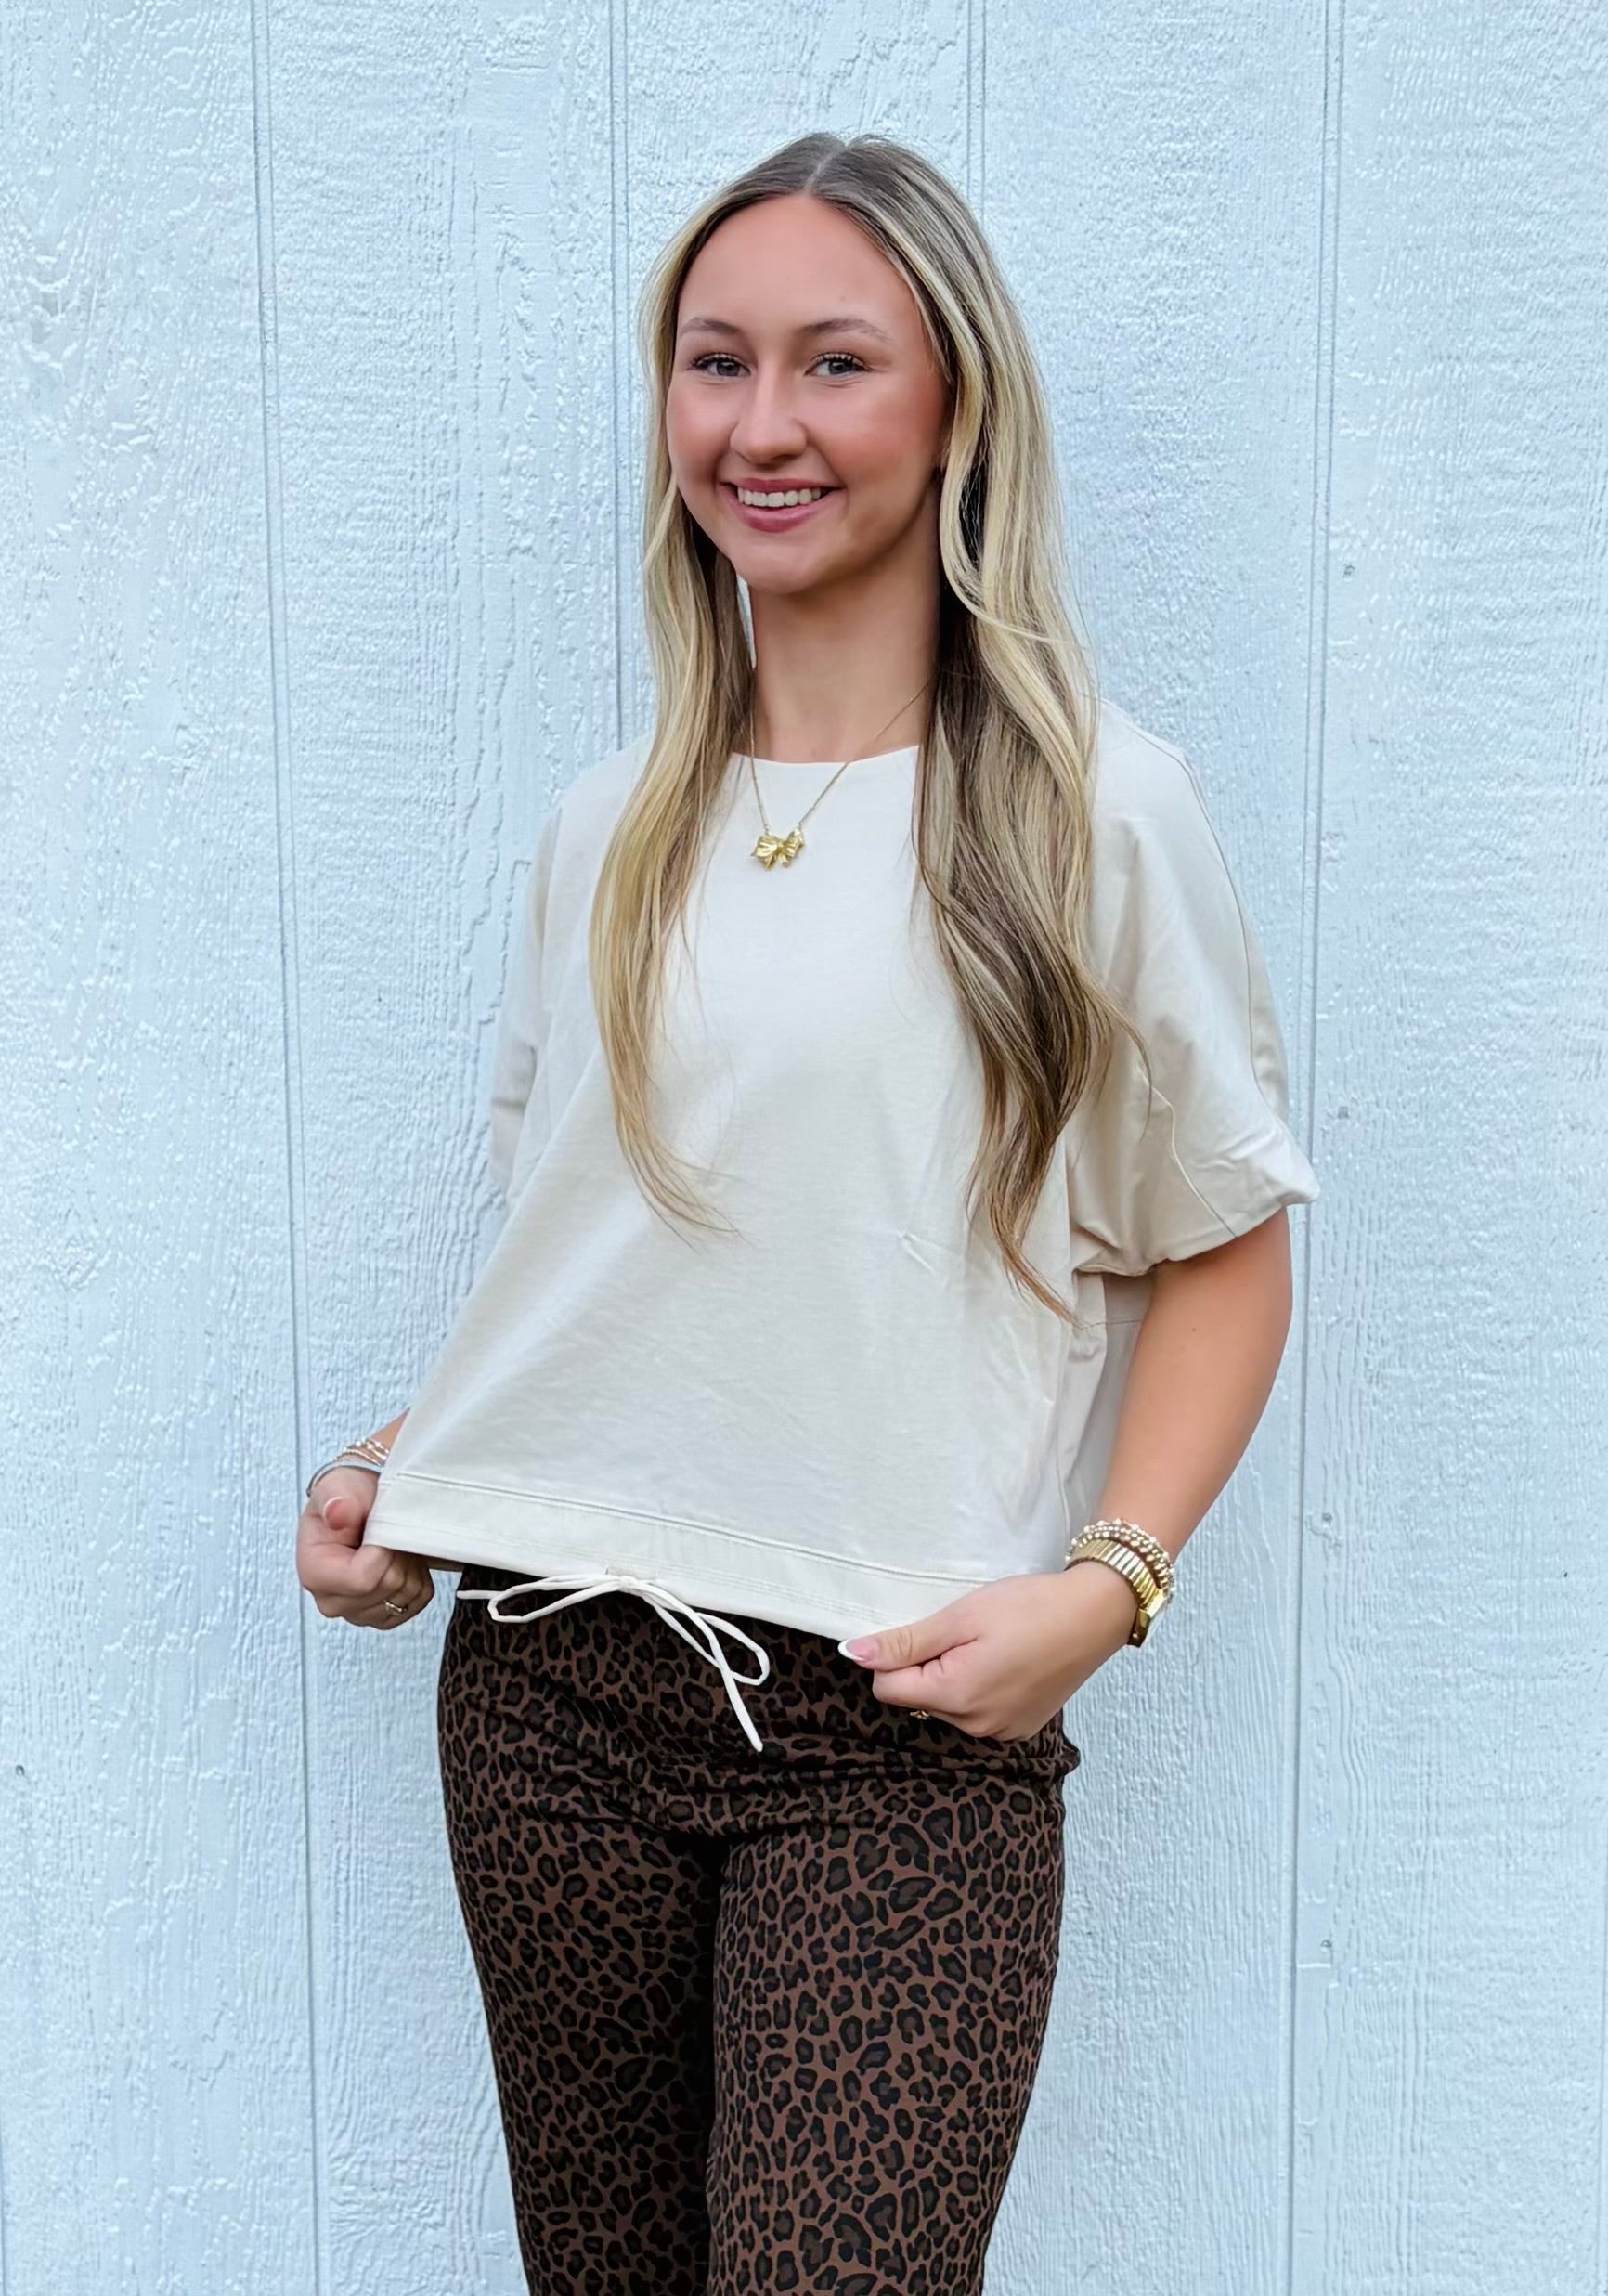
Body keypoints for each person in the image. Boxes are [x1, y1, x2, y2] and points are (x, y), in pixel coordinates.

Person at [294, 131, 1319, 2296]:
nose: (760, 425)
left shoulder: (1090, 813)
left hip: (897, 1727)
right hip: (550, 1690)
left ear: (955, 407)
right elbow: (610, 1264)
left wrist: (1110, 1584)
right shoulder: (609, 832)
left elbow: (1221, 1239)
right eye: (714, 362)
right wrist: (417, 1470)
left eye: (834, 362)